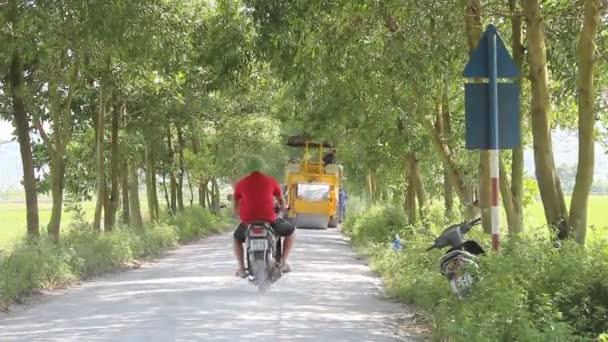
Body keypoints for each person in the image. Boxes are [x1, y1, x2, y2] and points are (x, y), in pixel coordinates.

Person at [232, 155, 295, 278]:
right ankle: (283, 262)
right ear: (263, 167)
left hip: (247, 222)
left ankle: (241, 268)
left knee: (236, 239)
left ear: (248, 168)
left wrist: (236, 212)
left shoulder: (241, 183)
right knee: (290, 231)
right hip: (269, 220)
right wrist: (284, 208)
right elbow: (281, 201)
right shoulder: (271, 181)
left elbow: (235, 202)